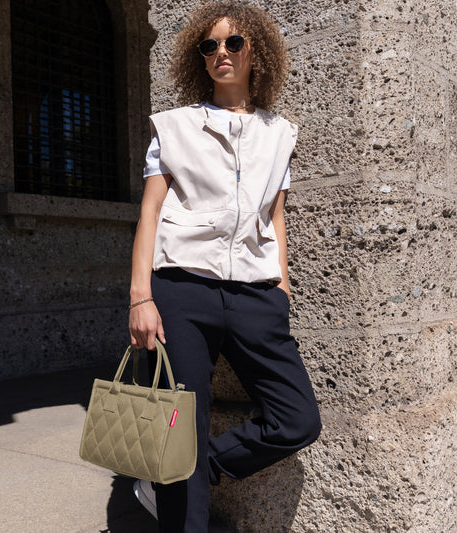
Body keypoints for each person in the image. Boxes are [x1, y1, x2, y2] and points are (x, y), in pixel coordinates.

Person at [128, 2, 322, 531]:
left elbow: (275, 217)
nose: (221, 53)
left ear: (256, 51)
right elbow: (149, 215)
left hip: (255, 295)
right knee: (180, 425)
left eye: (233, 42)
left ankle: (193, 472)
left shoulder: (280, 134)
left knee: (298, 419)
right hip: (180, 290)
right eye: (209, 45)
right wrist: (141, 297)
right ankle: (180, 499)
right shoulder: (174, 128)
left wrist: (281, 285)